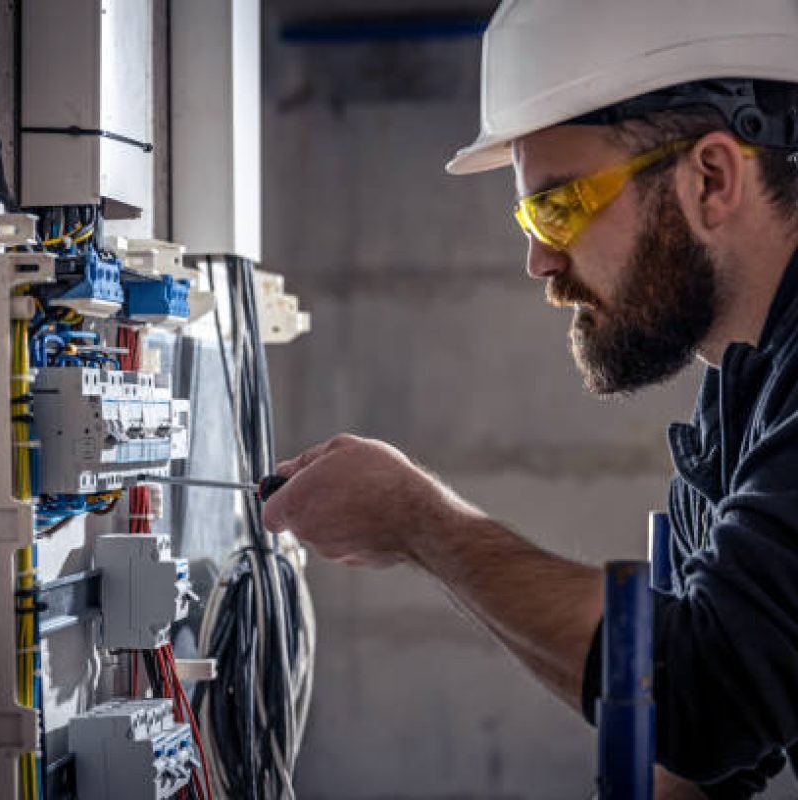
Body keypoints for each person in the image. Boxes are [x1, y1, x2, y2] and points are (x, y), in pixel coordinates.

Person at [262, 1, 798, 796]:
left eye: (561, 205)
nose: (540, 260)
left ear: (711, 178)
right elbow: (695, 746)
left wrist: (422, 523)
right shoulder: (739, 399)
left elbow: (709, 689)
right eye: (529, 214)